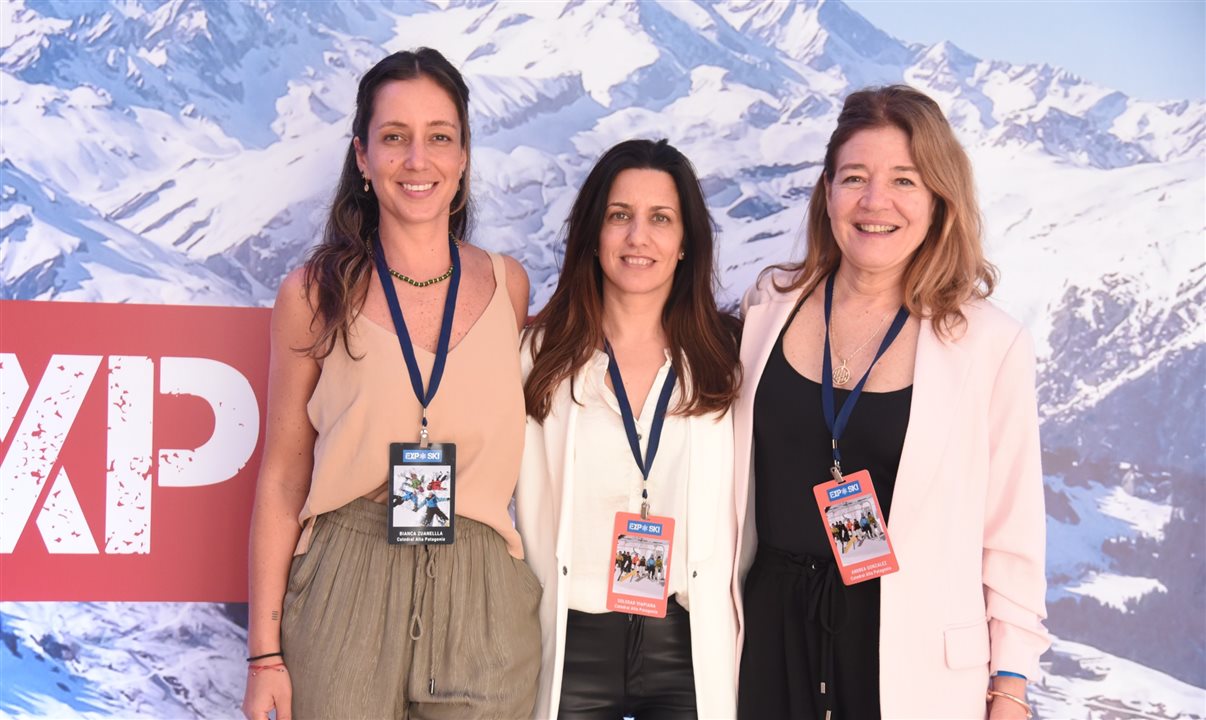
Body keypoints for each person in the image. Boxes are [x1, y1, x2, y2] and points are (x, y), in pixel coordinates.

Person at [241, 48, 541, 720]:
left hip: (483, 590)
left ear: (463, 158)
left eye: (439, 137)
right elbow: (285, 477)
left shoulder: (508, 287)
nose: (417, 160)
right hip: (346, 581)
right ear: (362, 156)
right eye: (394, 138)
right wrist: (264, 655)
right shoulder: (314, 295)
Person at [732, 86, 1050, 719]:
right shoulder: (769, 304)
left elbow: (1011, 532)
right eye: (855, 177)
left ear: (939, 198)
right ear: (827, 194)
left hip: (907, 646)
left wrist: (1009, 686)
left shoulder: (990, 343)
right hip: (767, 635)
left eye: (904, 180)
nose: (875, 202)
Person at [516, 139, 742, 719]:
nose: (638, 237)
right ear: (593, 234)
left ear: (686, 240)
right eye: (620, 216)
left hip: (685, 647)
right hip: (573, 645)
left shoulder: (730, 357)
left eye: (660, 219)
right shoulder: (536, 358)